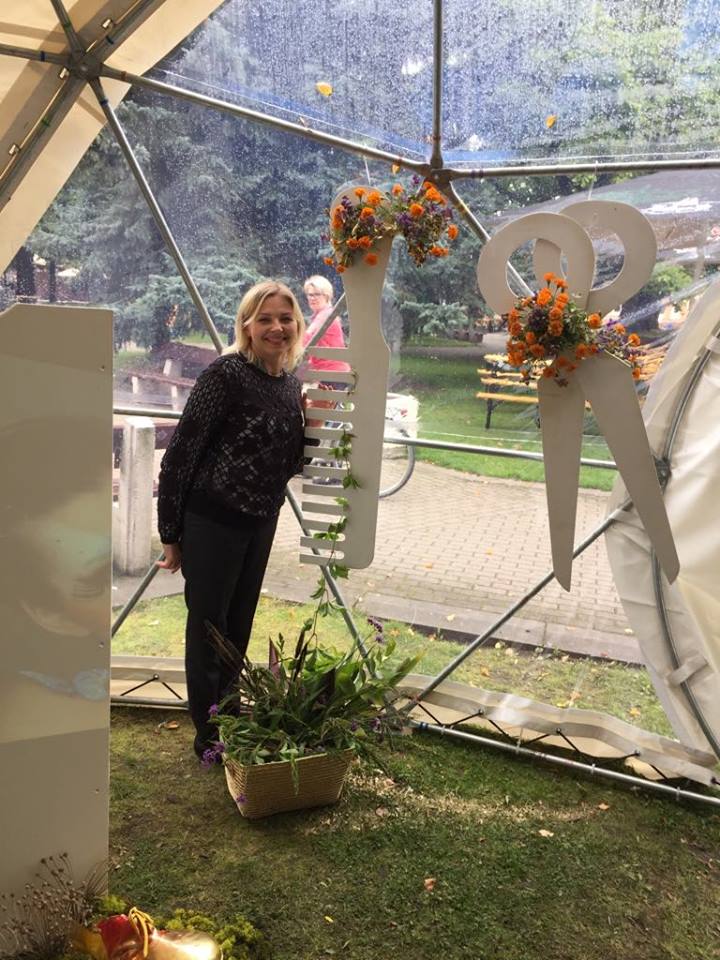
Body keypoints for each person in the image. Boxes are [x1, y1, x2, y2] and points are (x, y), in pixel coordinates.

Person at [156, 280, 306, 760]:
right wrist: (170, 534)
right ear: (246, 325)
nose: (276, 327)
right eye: (265, 318)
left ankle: (231, 716)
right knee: (209, 629)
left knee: (238, 625)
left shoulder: (291, 385)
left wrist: (314, 423)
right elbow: (180, 456)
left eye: (285, 318)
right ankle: (210, 737)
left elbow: (286, 463)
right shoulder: (225, 375)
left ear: (297, 325)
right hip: (212, 521)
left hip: (260, 523)